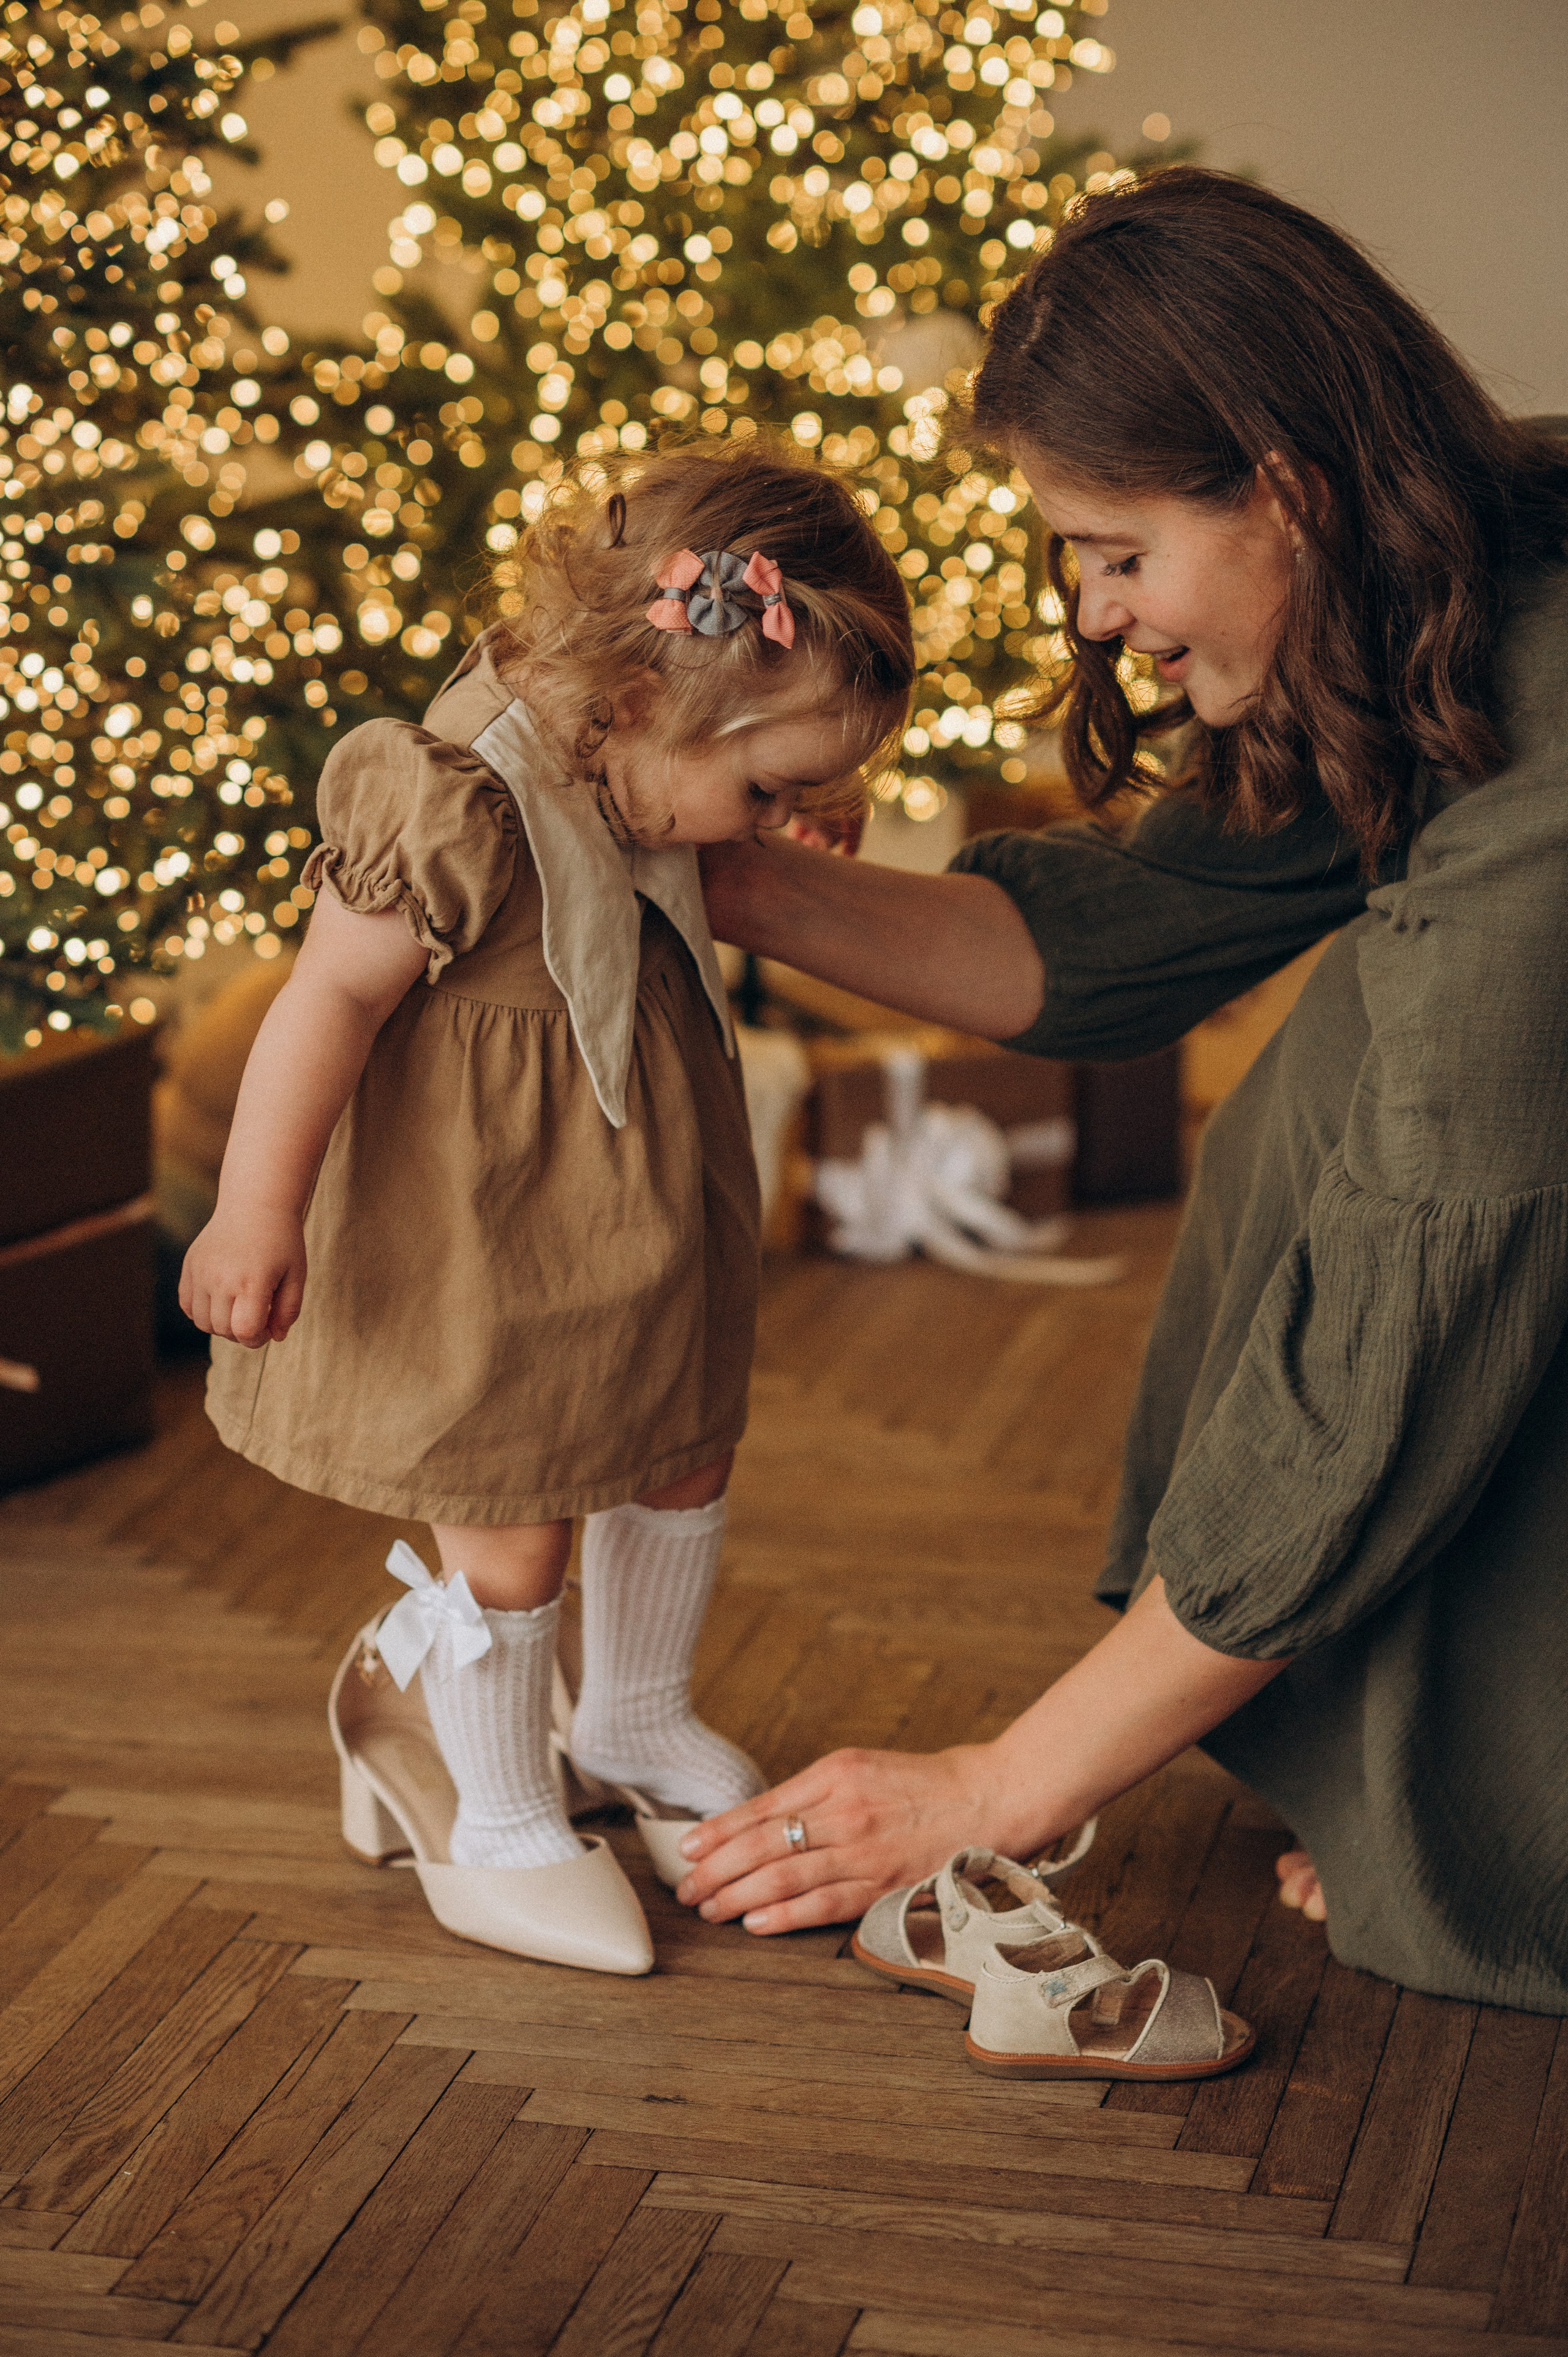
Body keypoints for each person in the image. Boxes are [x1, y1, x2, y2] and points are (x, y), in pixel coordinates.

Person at [685, 168, 1568, 2015]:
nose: (1094, 618)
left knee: (1383, 1129)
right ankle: (1413, 1746)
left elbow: (1402, 1337)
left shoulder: (1547, 786)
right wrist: (730, 874)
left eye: (1115, 550)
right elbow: (1140, 934)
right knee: (1344, 1091)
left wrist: (999, 1788)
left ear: (1288, 488)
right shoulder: (1443, 590)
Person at [179, 439, 914, 1972]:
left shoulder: (644, 761)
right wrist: (256, 1209)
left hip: (629, 1196)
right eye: (765, 787)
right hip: (483, 1229)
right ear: (652, 701)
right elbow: (321, 1002)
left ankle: (633, 1708)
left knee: (679, 1440)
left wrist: (774, 810)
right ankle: (494, 1798)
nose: (761, 823)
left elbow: (697, 829)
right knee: (515, 1523)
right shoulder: (451, 799)